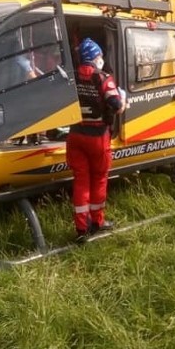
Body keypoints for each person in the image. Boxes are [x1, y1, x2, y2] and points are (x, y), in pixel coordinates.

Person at [67, 38, 125, 243]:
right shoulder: (103, 78)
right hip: (97, 137)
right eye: (100, 55)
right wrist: (123, 100)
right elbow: (116, 105)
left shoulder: (71, 77)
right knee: (99, 179)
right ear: (95, 57)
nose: (102, 59)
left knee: (81, 180)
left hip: (75, 135)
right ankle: (97, 223)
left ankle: (81, 228)